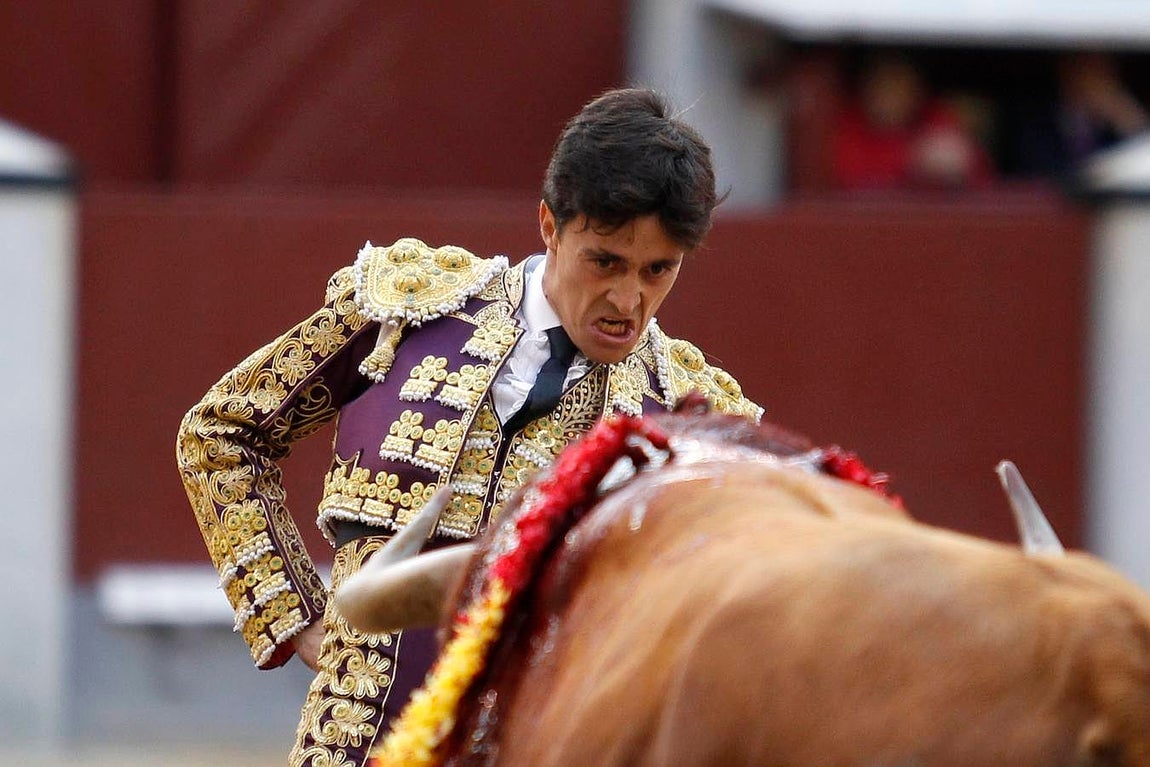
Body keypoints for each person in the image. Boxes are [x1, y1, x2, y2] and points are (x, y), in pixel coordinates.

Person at [175, 87, 762, 767]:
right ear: (550, 226)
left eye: (659, 270)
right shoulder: (409, 310)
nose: (629, 300)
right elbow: (221, 434)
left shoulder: (691, 419)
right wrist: (296, 618)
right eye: (605, 261)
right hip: (355, 742)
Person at [831, 52, 994, 191]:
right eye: (884, 86)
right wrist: (911, 158)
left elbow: (984, 181)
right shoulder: (845, 122)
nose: (891, 97)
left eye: (900, 85)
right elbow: (848, 174)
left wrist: (962, 168)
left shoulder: (935, 119)